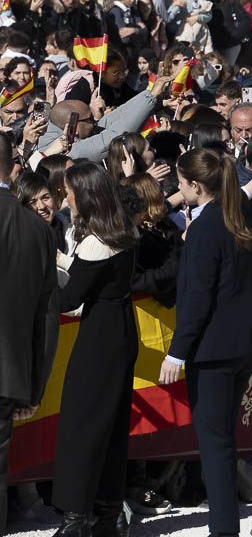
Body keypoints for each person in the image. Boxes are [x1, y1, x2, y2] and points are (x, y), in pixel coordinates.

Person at [159, 148, 252, 537]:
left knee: (215, 441)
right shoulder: (243, 215)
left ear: (194, 185)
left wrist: (177, 351)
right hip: (241, 346)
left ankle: (224, 529)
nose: (177, 187)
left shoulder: (209, 227)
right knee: (221, 437)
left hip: (213, 350)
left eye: (180, 180)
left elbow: (197, 296)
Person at [51, 161, 140, 537]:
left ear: (84, 194)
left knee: (82, 424)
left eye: (69, 190)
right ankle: (108, 514)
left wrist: (42, 274)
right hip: (121, 327)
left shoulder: (95, 240)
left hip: (100, 337)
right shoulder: (124, 230)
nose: (64, 196)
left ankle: (75, 520)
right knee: (112, 425)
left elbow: (69, 297)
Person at [0, 136, 60, 536]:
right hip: (8, 375)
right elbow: (47, 318)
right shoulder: (38, 231)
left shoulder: (40, 231)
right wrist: (34, 387)